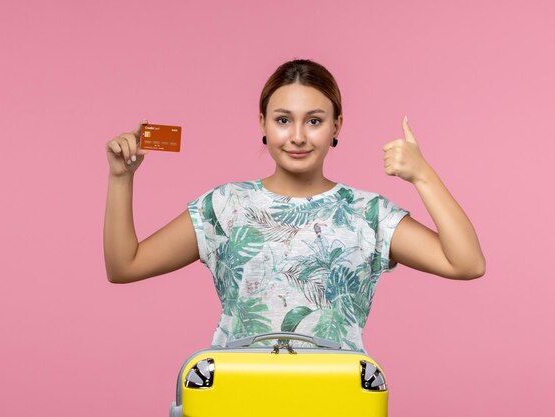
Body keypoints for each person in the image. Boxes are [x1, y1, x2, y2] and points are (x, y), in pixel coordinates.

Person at [103, 59, 485, 353]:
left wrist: (423, 175)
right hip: (236, 395)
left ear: (336, 126)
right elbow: (125, 265)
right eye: (283, 120)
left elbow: (466, 263)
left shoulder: (367, 214)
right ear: (263, 124)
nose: (298, 136)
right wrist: (121, 178)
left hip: (337, 398)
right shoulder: (227, 206)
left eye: (314, 121)